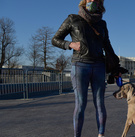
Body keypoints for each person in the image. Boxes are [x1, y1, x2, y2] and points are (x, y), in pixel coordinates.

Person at [52, 0, 119, 137]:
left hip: (99, 66)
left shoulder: (102, 23)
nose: (92, 1)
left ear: (100, 3)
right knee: (80, 104)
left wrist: (116, 68)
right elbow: (55, 39)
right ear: (84, 1)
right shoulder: (73, 19)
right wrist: (70, 44)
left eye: (96, 0)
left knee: (100, 103)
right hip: (80, 65)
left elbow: (108, 46)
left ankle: (101, 134)